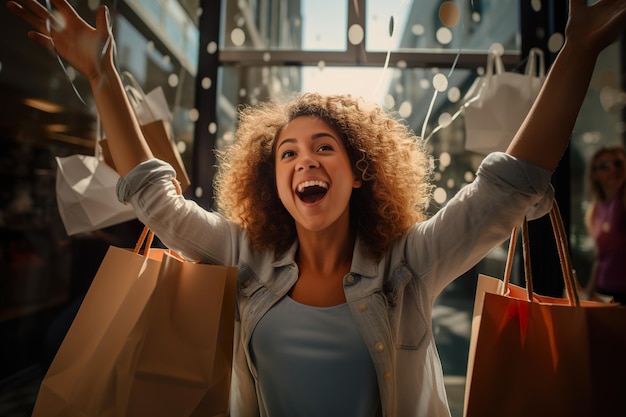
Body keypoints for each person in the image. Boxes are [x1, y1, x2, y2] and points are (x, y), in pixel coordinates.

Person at [8, 0, 626, 416]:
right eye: (287, 154)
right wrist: (101, 72)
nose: (304, 161)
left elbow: (510, 185)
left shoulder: (411, 261)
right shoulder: (242, 255)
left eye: (324, 148)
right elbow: (151, 196)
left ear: (358, 173)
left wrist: (577, 51)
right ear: (271, 181)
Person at [584, 145, 626, 304]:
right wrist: (589, 292)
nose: (613, 169)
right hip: (604, 288)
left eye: (617, 163)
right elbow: (600, 258)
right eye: (604, 166)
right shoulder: (595, 209)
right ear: (594, 174)